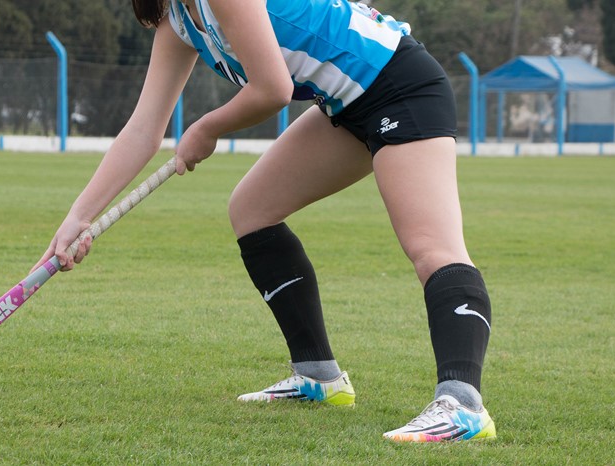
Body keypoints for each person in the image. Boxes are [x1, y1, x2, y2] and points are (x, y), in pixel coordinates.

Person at [34, 0, 496, 442]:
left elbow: (272, 89)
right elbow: (142, 128)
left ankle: (462, 405)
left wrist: (207, 127)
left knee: (430, 247)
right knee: (252, 209)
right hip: (345, 103)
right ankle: (318, 376)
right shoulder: (177, 19)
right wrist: (79, 217)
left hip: (400, 85)